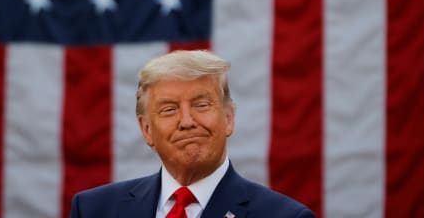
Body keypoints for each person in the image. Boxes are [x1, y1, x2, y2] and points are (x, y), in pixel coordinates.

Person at [69, 50, 315, 218]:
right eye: (169, 109)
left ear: (228, 118)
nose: (186, 121)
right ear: (146, 130)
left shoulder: (285, 216)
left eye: (201, 105)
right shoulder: (93, 210)